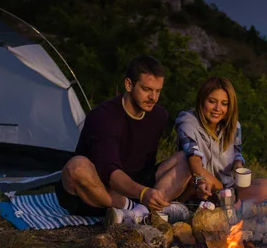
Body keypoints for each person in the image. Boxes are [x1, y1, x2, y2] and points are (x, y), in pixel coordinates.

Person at [55, 55, 192, 226]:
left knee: (186, 159)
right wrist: (142, 194)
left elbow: (148, 163)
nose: (153, 97)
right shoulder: (104, 116)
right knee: (76, 166)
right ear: (129, 84)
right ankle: (135, 209)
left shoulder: (159, 115)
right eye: (147, 89)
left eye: (158, 91)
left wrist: (148, 191)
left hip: (134, 184)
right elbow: (109, 173)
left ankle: (141, 212)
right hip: (97, 191)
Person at [174, 76, 267, 210]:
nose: (218, 108)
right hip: (200, 185)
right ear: (201, 100)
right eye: (212, 101)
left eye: (224, 104)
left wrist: (238, 166)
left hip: (227, 188)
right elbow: (193, 156)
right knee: (196, 172)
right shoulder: (187, 122)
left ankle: (232, 205)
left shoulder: (234, 127)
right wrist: (203, 182)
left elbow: (237, 153)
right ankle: (236, 207)